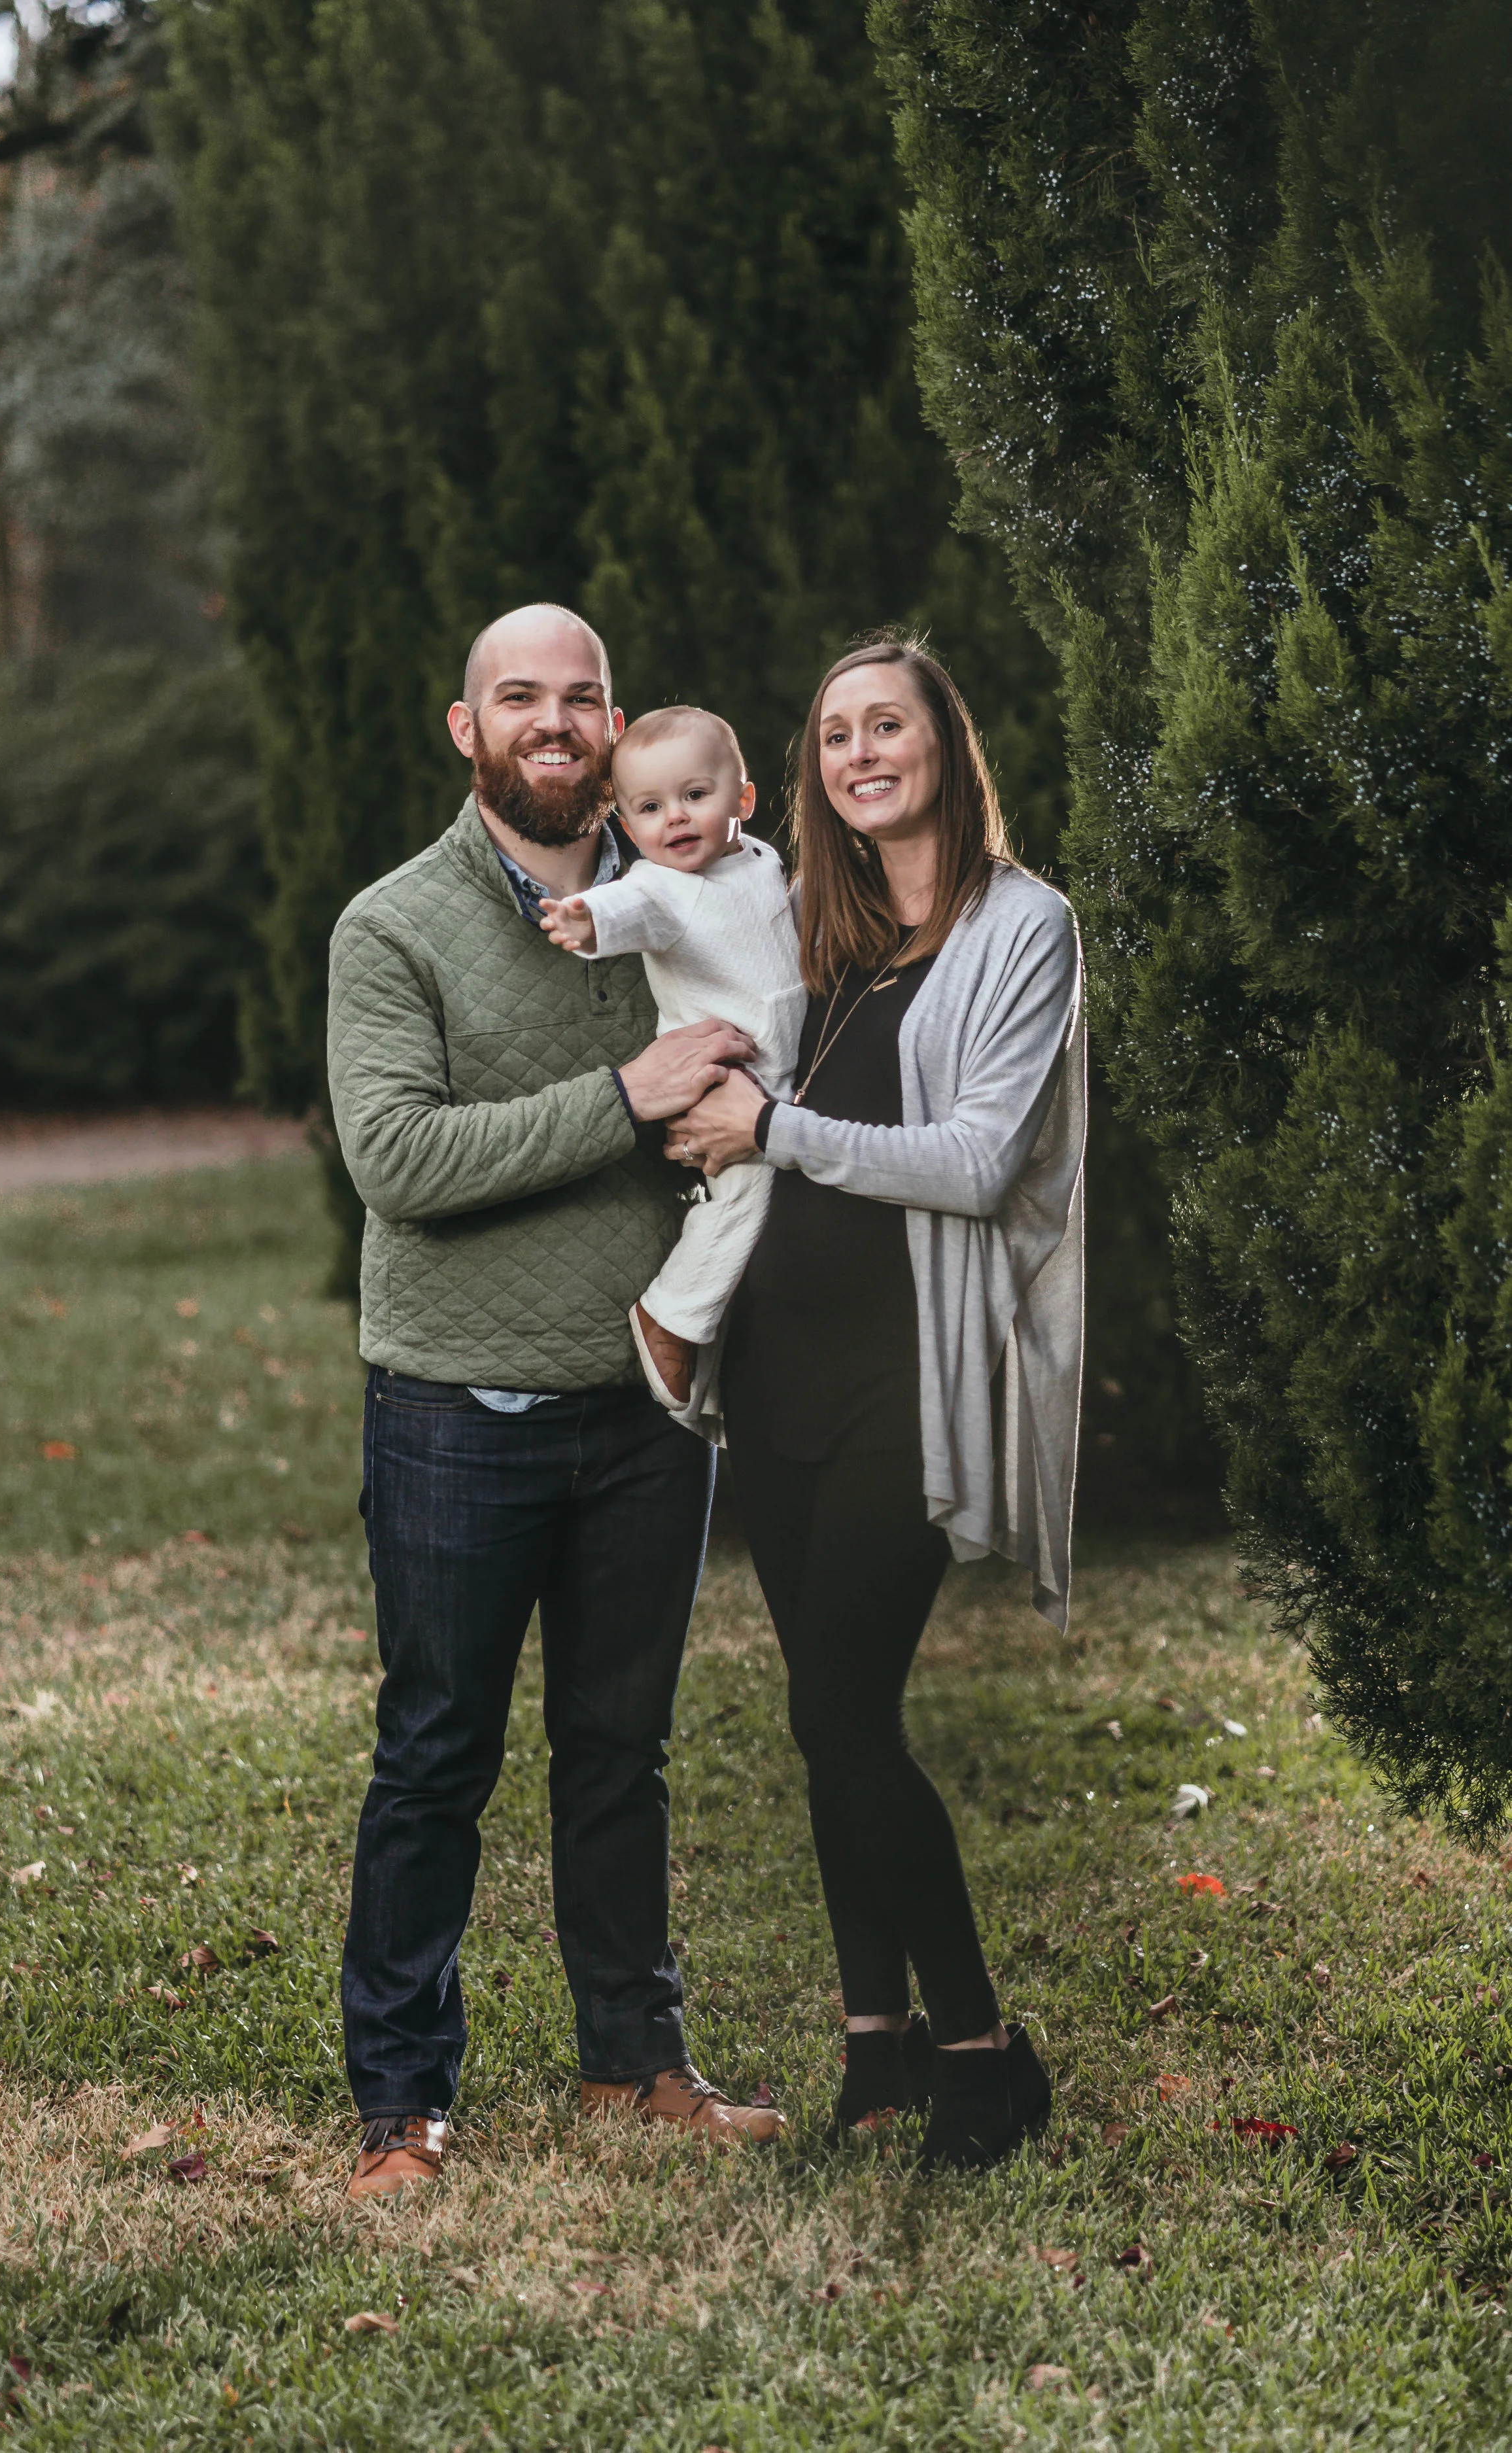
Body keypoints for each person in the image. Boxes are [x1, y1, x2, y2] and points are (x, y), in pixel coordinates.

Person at [326, 603, 785, 2201]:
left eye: (579, 697)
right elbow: (401, 1161)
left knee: (620, 1746)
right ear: (468, 729)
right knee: (437, 1749)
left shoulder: (687, 904)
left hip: (650, 1409)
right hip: (458, 1409)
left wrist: (751, 1118)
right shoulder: (394, 928)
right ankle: (400, 2100)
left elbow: (782, 1038)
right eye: (517, 696)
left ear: (613, 726)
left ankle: (634, 2061)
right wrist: (627, 1098)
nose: (553, 720)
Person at [667, 638, 1085, 2171]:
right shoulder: (812, 929)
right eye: (834, 732)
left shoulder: (1021, 927)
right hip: (779, 1368)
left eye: (884, 721)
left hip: (919, 1373)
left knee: (843, 1706)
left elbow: (980, 1161)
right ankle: (874, 2049)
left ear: (940, 742)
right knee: (823, 1711)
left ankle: (978, 2044)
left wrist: (774, 1124)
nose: (858, 751)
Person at [538, 703, 805, 1420]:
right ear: (626, 827)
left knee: (774, 1209)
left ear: (741, 800)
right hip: (720, 1081)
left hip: (780, 1075)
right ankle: (671, 1314)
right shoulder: (662, 888)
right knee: (746, 1197)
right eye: (650, 809)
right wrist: (584, 917)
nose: (675, 820)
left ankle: (721, 1341)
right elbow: (627, 908)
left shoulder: (762, 861)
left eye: (695, 796)